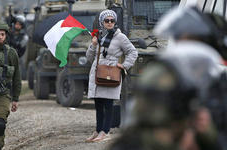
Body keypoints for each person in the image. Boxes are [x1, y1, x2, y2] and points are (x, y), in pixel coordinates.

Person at [109, 6, 227, 150]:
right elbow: (135, 133)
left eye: (192, 41)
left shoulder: (219, 86)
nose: (184, 48)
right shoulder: (165, 76)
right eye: (181, 40)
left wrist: (206, 134)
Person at [86, 9, 138, 142]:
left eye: (112, 20)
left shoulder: (120, 37)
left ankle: (106, 131)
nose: (110, 23)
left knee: (108, 103)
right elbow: (89, 57)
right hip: (98, 72)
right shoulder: (98, 37)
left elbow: (133, 52)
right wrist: (93, 45)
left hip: (111, 74)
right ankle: (98, 130)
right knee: (98, 103)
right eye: (107, 20)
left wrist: (124, 65)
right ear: (101, 22)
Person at [0, 20, 21, 150]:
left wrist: (16, 99)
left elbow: (17, 76)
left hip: (2, 95)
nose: (0, 37)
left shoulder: (11, 53)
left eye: (2, 34)